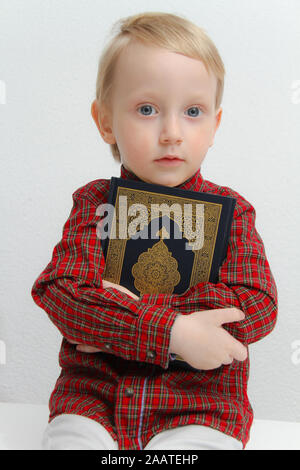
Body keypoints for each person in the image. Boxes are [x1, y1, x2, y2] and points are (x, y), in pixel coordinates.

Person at [31, 12, 278, 451]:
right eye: (147, 109)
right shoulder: (94, 204)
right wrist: (178, 333)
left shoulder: (235, 212)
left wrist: (121, 316)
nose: (171, 133)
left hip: (200, 407)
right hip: (94, 402)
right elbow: (64, 292)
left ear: (215, 125)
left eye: (193, 111)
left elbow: (257, 306)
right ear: (106, 121)